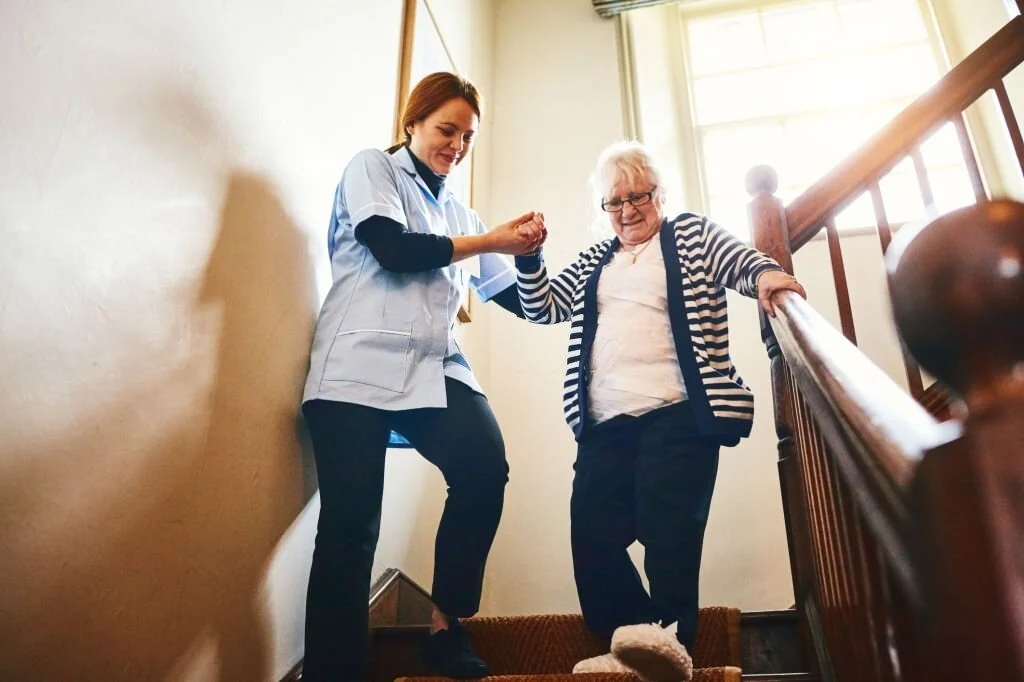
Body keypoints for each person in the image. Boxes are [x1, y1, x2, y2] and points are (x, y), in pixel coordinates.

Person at [514, 140, 805, 681]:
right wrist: (529, 257)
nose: (626, 210)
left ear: (659, 194)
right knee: (592, 533)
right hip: (604, 423)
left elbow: (736, 259)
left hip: (678, 413)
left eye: (637, 196)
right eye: (614, 201)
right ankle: (637, 643)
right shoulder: (595, 260)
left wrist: (766, 277)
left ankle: (670, 640)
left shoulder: (689, 233)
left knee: (667, 529)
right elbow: (542, 306)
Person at [300, 71, 546, 681]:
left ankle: (445, 629)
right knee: (351, 528)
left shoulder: (461, 208)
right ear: (413, 122)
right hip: (355, 369)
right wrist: (490, 239)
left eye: (467, 136)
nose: (456, 145)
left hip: (435, 366)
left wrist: (531, 250)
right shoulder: (373, 169)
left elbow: (517, 298)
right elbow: (392, 247)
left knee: (485, 467)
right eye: (446, 129)